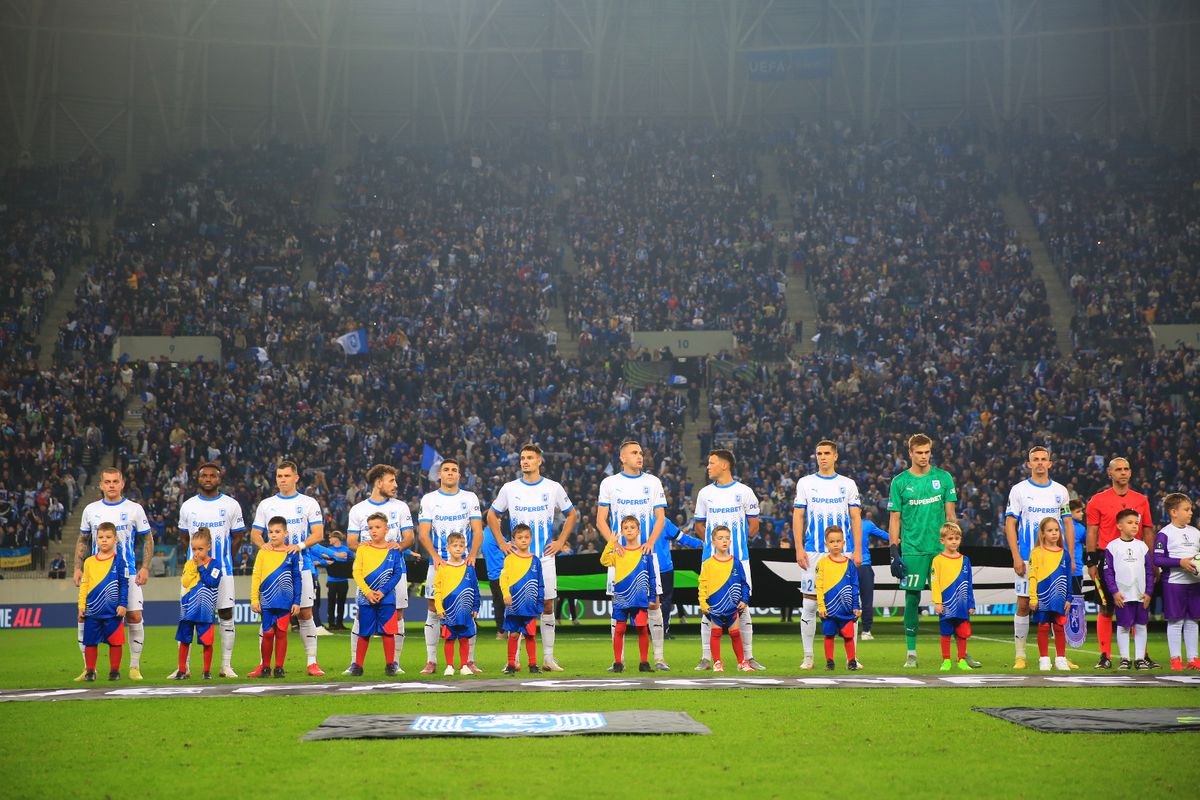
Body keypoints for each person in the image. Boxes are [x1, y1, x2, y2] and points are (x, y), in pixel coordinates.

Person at [487, 443, 577, 671]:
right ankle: (514, 661)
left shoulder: (553, 487)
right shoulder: (509, 488)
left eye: (529, 457)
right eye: (522, 458)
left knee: (547, 605)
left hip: (544, 558)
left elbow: (572, 514)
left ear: (539, 461)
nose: (524, 461)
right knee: (515, 607)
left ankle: (547, 658)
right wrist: (500, 542)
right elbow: (491, 514)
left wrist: (560, 542)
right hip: (517, 560)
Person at [887, 434, 959, 669]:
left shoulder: (943, 478)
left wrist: (954, 545)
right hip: (913, 550)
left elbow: (950, 516)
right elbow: (895, 519)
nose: (924, 456)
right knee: (911, 598)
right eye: (919, 452)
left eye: (927, 452)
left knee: (951, 598)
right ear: (910, 453)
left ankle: (958, 654)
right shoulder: (899, 482)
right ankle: (911, 653)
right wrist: (894, 551)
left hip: (940, 550)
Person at [74, 467, 152, 681]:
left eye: (115, 481)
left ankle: (134, 667)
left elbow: (147, 538)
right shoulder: (91, 509)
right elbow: (82, 539)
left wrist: (145, 567)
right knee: (84, 617)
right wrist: (77, 567)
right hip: (96, 575)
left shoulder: (134, 509)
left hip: (128, 573)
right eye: (107, 481)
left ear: (122, 483)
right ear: (100, 484)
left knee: (134, 616)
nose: (111, 485)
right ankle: (89, 669)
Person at [596, 441, 670, 669]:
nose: (640, 456)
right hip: (621, 556)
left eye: (641, 453)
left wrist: (650, 542)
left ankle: (658, 658)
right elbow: (601, 520)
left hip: (646, 554)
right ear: (622, 457)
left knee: (654, 604)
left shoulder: (653, 482)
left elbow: (660, 518)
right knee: (617, 604)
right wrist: (613, 543)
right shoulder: (610, 483)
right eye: (634, 453)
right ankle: (618, 660)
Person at [249, 461, 326, 676]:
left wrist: (299, 546)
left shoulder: (309, 502)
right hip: (272, 570)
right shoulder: (266, 504)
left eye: (286, 475)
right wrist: (261, 544)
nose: (282, 479)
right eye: (279, 476)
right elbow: (255, 533)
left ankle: (312, 662)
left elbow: (318, 534)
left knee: (305, 613)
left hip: (301, 565)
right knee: (267, 616)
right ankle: (263, 663)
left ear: (296, 477)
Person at [692, 449, 765, 671]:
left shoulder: (744, 492)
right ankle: (707, 658)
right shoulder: (705, 493)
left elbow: (754, 525)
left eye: (711, 462)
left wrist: (739, 543)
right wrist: (713, 546)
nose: (708, 466)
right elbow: (698, 525)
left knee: (742, 606)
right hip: (710, 560)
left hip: (739, 559)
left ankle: (748, 657)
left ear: (724, 465)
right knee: (708, 606)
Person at [792, 440, 863, 668]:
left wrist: (858, 549)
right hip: (814, 552)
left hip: (844, 552)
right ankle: (808, 656)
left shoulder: (848, 484)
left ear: (835, 456)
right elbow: (798, 517)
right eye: (818, 453)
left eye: (826, 453)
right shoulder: (805, 483)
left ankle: (852, 658)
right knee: (811, 605)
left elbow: (855, 518)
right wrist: (799, 548)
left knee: (849, 604)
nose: (822, 457)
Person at [1004, 447, 1073, 670]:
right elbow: (1010, 524)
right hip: (1027, 557)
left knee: (1056, 605)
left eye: (1044, 459)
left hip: (1055, 558)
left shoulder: (1060, 491)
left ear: (1050, 464)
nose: (1040, 463)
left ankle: (1060, 656)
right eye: (1036, 459)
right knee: (1024, 603)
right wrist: (1016, 555)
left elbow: (1068, 523)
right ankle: (1020, 655)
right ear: (1029, 463)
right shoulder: (1019, 490)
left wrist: (1069, 556)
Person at [1085, 457, 1154, 669]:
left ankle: (1142, 656)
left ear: (1130, 473)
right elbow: (1092, 531)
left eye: (1126, 469)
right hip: (1108, 556)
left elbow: (1148, 530)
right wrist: (1091, 559)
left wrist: (1152, 561)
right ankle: (1105, 655)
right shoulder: (1097, 500)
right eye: (1118, 470)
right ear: (1110, 473)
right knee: (1106, 608)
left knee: (1138, 604)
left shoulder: (1141, 499)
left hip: (1136, 557)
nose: (1123, 473)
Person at [178, 461, 245, 677]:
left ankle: (226, 665)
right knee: (187, 616)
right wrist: (195, 559)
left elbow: (238, 537)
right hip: (193, 574)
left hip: (222, 571)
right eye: (204, 476)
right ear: (198, 479)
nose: (208, 479)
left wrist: (223, 560)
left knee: (226, 614)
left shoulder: (231, 505)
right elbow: (183, 538)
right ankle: (184, 668)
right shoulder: (188, 506)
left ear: (219, 478)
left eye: (212, 476)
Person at [345, 464, 414, 674]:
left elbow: (409, 537)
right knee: (361, 616)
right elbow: (351, 542)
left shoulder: (401, 507)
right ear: (378, 483)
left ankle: (394, 663)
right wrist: (369, 549)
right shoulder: (358, 509)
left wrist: (398, 547)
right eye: (391, 480)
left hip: (395, 570)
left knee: (397, 614)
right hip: (368, 575)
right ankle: (355, 663)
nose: (395, 485)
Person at [417, 458, 483, 675]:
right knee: (433, 610)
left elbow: (478, 530)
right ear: (439, 475)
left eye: (454, 470)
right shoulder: (429, 499)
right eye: (446, 470)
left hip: (464, 565)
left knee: (468, 610)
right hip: (438, 565)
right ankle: (431, 660)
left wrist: (472, 556)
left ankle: (469, 661)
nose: (450, 473)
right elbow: (424, 533)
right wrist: (435, 557)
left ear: (459, 475)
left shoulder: (469, 498)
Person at [348, 512, 406, 676]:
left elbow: (397, 573)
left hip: (387, 598)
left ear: (386, 529)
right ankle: (358, 665)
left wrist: (382, 591)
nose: (373, 531)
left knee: (388, 632)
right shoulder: (363, 549)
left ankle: (390, 665)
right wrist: (367, 592)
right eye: (370, 528)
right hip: (366, 598)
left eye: (377, 527)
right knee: (364, 632)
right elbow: (357, 572)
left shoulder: (394, 550)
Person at [601, 515, 661, 673]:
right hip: (621, 598)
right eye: (626, 528)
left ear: (638, 531)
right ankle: (618, 663)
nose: (629, 530)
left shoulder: (645, 552)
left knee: (642, 629)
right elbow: (603, 560)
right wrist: (611, 543)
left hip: (639, 598)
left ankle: (644, 662)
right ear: (621, 532)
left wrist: (653, 597)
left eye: (632, 527)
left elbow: (652, 576)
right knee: (619, 629)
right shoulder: (618, 551)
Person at [248, 516, 302, 678]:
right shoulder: (263, 552)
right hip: (267, 600)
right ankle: (265, 667)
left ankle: (279, 667)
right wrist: (254, 599)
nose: (273, 535)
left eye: (277, 532)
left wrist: (297, 601)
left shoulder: (291, 553)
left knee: (281, 633)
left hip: (285, 601)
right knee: (268, 633)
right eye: (270, 532)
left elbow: (297, 577)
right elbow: (256, 575)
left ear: (285, 533)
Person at [1103, 509, 1155, 670]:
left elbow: (1149, 571)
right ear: (1119, 525)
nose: (1134, 526)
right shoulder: (1112, 547)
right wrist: (1114, 592)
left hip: (1140, 595)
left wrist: (1149, 592)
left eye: (1136, 523)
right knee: (1123, 626)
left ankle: (1139, 659)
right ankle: (1124, 658)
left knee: (1140, 626)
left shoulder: (1142, 546)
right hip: (1122, 596)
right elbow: (1108, 572)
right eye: (1130, 523)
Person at [1153, 493, 1199, 670]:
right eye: (1186, 509)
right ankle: (1175, 659)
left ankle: (1193, 659)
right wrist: (1180, 562)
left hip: (1194, 584)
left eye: (1191, 509)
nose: (1190, 513)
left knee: (1193, 621)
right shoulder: (1164, 534)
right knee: (1175, 621)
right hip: (1174, 583)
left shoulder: (1195, 533)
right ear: (1173, 512)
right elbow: (1158, 560)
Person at [77, 521, 128, 681]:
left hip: (113, 611)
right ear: (96, 540)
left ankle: (114, 671)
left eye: (108, 537)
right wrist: (81, 605)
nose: (104, 540)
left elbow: (124, 585)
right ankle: (90, 671)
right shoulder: (89, 562)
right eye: (100, 537)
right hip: (92, 611)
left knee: (115, 642)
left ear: (115, 540)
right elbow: (84, 585)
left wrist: (123, 604)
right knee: (91, 642)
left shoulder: (120, 562)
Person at [172, 528, 222, 680]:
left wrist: (200, 566)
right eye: (194, 549)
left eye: (200, 549)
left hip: (205, 610)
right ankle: (182, 670)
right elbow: (185, 582)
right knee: (185, 640)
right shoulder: (189, 564)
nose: (197, 552)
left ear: (209, 547)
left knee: (207, 642)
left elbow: (212, 582)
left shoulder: (215, 564)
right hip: (188, 607)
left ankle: (206, 671)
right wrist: (194, 567)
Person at [699, 524, 751, 673]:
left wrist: (744, 599)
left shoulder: (736, 562)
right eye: (720, 538)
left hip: (732, 607)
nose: (724, 541)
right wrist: (703, 603)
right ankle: (717, 662)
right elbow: (702, 585)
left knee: (735, 633)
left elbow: (744, 584)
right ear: (713, 542)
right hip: (715, 607)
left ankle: (741, 662)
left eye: (727, 538)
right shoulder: (708, 564)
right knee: (716, 633)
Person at [434, 531, 481, 676]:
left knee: (464, 638)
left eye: (461, 545)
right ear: (448, 548)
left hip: (465, 611)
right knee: (449, 638)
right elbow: (438, 590)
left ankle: (463, 666)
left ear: (465, 548)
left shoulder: (469, 568)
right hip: (448, 611)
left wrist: (475, 606)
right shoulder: (443, 568)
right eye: (455, 545)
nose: (458, 548)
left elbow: (475, 588)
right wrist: (439, 608)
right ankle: (449, 665)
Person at [499, 523, 544, 674]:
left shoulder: (535, 561)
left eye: (526, 537)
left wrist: (540, 603)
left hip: (530, 606)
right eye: (520, 538)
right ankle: (511, 664)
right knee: (513, 634)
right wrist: (506, 594)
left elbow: (540, 584)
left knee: (530, 635)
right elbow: (503, 579)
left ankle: (533, 665)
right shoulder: (510, 559)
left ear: (531, 539)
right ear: (514, 541)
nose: (523, 540)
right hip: (514, 605)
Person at [815, 525, 861, 671]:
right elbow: (819, 586)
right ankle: (830, 662)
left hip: (846, 609)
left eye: (838, 541)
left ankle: (852, 661)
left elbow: (854, 586)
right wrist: (821, 606)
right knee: (829, 635)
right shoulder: (822, 563)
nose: (835, 544)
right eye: (832, 541)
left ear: (843, 543)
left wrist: (856, 605)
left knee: (848, 636)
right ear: (826, 544)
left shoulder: (850, 564)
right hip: (829, 609)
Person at [1030, 517, 1073, 672]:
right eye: (1050, 530)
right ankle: (1044, 659)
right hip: (1042, 597)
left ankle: (1061, 659)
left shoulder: (1065, 554)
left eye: (1056, 530)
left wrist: (1069, 597)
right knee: (1043, 626)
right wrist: (1033, 597)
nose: (1054, 533)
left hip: (1059, 598)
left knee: (1059, 626)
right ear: (1042, 534)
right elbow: (1032, 576)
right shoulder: (1036, 553)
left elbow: (1068, 578)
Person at [931, 522, 975, 672]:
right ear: (942, 541)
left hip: (962, 604)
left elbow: (969, 583)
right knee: (946, 633)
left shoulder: (966, 560)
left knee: (963, 633)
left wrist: (971, 603)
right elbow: (935, 583)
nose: (954, 541)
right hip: (946, 604)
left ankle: (962, 660)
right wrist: (937, 602)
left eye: (957, 538)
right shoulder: (938, 560)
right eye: (950, 538)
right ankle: (946, 661)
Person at [857, 515, 889, 640]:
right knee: (867, 600)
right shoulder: (867, 524)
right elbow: (885, 535)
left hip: (848, 565)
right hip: (863, 565)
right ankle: (866, 631)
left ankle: (844, 630)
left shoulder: (843, 522)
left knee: (846, 599)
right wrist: (897, 539)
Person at [316, 532, 352, 631]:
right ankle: (331, 624)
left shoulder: (347, 550)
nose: (329, 540)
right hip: (331, 581)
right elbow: (320, 560)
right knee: (331, 603)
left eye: (331, 537)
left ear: (336, 538)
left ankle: (340, 624)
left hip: (343, 581)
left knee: (341, 603)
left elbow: (352, 561)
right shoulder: (329, 550)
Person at [481, 521, 508, 640]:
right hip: (502, 572)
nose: (500, 520)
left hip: (491, 573)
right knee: (507, 602)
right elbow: (509, 548)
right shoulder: (495, 534)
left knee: (498, 603)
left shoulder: (483, 534)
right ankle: (514, 630)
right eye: (496, 518)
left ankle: (501, 632)